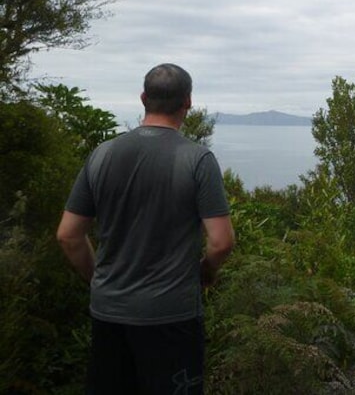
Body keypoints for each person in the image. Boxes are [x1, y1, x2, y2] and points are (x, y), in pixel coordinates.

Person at [56, 63, 235, 394]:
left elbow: (68, 235)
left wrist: (98, 279)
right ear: (188, 102)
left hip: (109, 312)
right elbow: (221, 242)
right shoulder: (197, 160)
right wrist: (206, 272)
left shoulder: (102, 155)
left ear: (143, 98)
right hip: (172, 316)